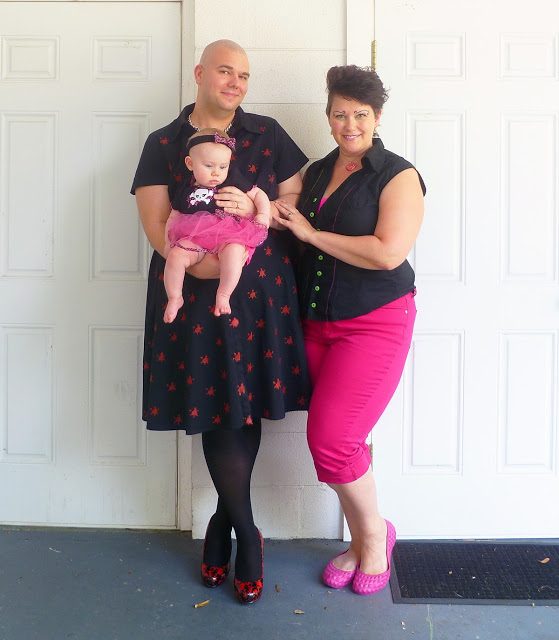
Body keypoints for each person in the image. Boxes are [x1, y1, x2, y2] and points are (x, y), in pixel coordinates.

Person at [131, 40, 310, 605]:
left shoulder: (267, 133)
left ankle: (222, 524)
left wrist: (258, 209)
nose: (236, 83)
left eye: (244, 75)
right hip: (192, 301)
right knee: (217, 405)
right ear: (199, 73)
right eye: (226, 71)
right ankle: (246, 533)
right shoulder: (163, 143)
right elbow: (156, 227)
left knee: (242, 403)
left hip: (259, 299)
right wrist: (207, 267)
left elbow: (293, 199)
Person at [275, 65, 425, 596]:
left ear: (377, 117)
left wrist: (312, 235)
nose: (350, 124)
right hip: (316, 323)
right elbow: (285, 214)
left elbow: (387, 253)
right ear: (329, 117)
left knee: (332, 441)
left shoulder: (398, 175)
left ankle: (374, 536)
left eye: (361, 114)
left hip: (375, 322)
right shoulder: (318, 171)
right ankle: (362, 541)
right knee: (341, 442)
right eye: (340, 114)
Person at [163, 128, 270, 322]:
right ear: (190, 163)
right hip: (193, 236)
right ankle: (175, 297)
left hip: (227, 233)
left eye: (223, 166)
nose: (216, 173)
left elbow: (258, 194)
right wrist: (167, 242)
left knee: (235, 251)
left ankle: (224, 294)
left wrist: (263, 214)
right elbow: (174, 215)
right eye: (208, 166)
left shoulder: (232, 178)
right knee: (176, 256)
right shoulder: (186, 188)